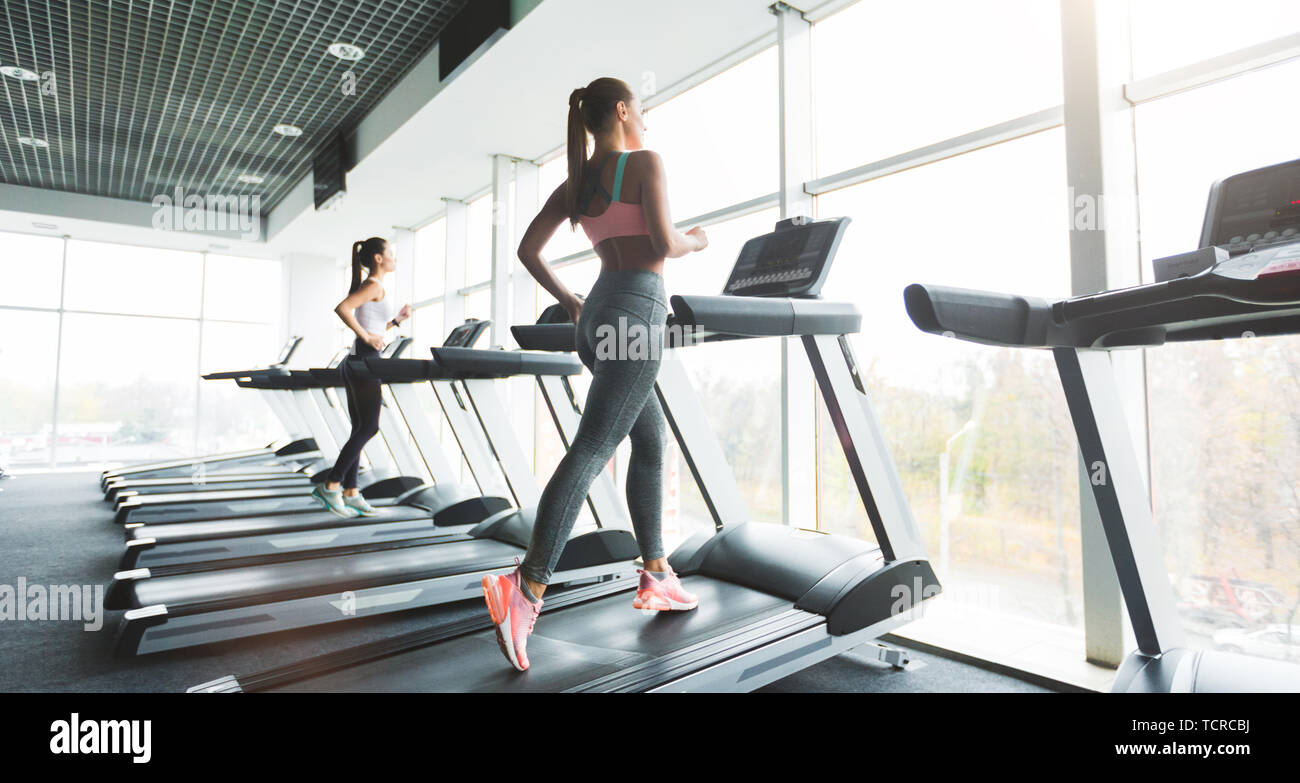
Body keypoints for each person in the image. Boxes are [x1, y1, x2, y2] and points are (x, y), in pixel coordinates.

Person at [481, 77, 709, 671]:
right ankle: (526, 588)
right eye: (644, 109)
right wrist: (697, 240)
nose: (647, 118)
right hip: (637, 313)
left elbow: (529, 250)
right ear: (625, 111)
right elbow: (663, 241)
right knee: (592, 448)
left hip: (597, 314)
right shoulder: (645, 162)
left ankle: (656, 572)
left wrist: (572, 300)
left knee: (651, 443)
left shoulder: (578, 182)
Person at [310, 237, 411, 519]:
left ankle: (351, 491)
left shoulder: (373, 287)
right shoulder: (373, 285)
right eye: (391, 253)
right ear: (378, 258)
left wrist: (397, 321)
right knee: (369, 428)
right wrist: (365, 336)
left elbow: (373, 324)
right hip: (366, 362)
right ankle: (331, 485)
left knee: (360, 428)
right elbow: (343, 309)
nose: (395, 258)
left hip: (358, 360)